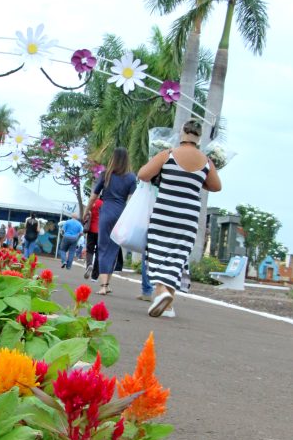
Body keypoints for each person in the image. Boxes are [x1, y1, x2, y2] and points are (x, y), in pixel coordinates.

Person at [138, 119, 222, 317]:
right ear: (199, 137)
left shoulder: (168, 154)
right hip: (188, 217)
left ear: (181, 133)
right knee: (177, 257)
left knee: (158, 253)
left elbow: (143, 174)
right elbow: (216, 186)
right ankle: (168, 306)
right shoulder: (206, 161)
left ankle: (161, 292)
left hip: (164, 213)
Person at [87, 148, 136, 295]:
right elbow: (132, 200)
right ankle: (107, 284)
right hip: (121, 213)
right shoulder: (131, 177)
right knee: (113, 249)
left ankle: (103, 286)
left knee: (102, 248)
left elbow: (94, 196)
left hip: (106, 211)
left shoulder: (106, 174)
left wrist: (86, 211)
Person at [83, 197, 102, 280]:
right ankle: (94, 276)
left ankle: (89, 265)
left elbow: (86, 214)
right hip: (101, 231)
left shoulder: (93, 202)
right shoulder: (106, 204)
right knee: (99, 252)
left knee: (90, 250)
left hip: (91, 229)